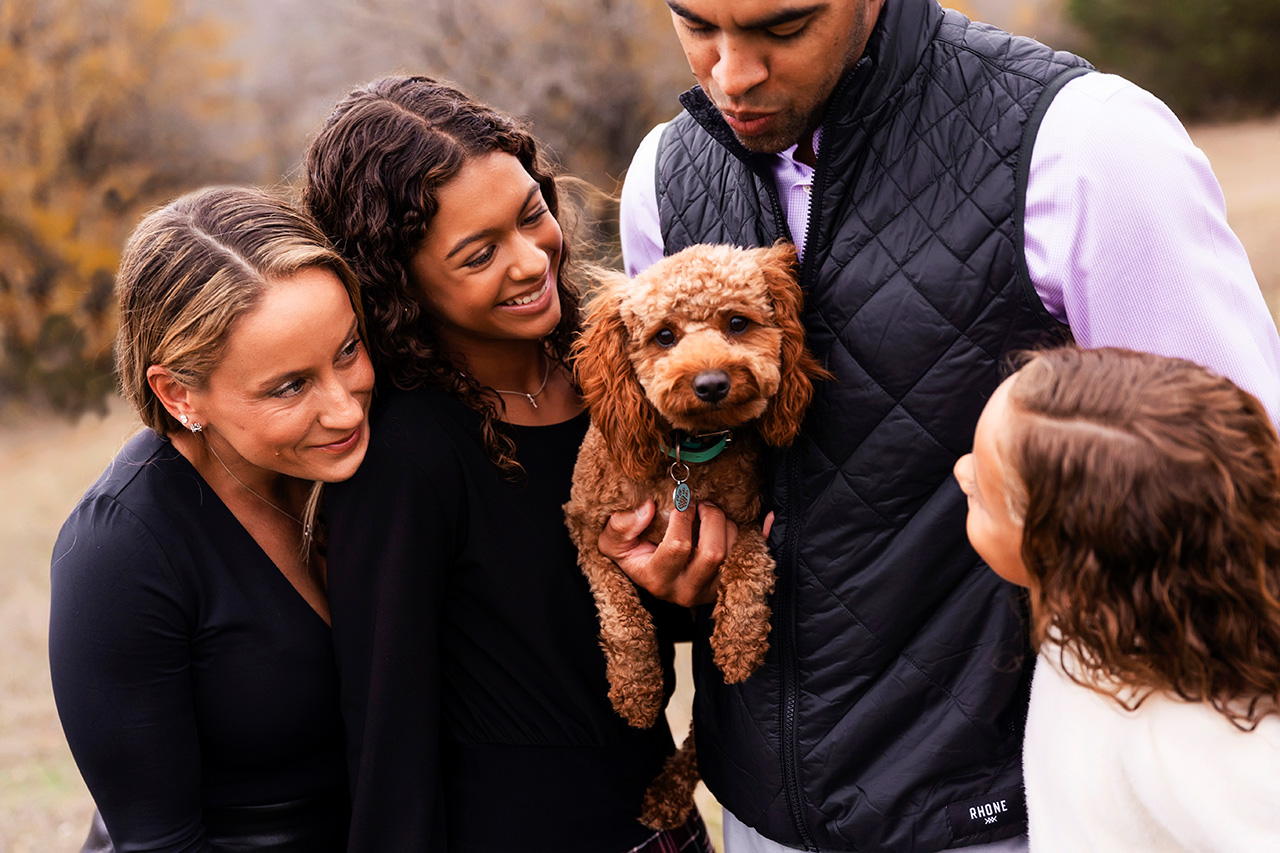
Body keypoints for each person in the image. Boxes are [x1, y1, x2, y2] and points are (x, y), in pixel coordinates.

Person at [609, 0, 1280, 850]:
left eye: (783, 28)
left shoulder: (1087, 145)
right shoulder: (664, 174)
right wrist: (676, 554)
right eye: (696, 23)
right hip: (757, 818)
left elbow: (1237, 497)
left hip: (1017, 810)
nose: (731, 74)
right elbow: (689, 455)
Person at [301, 74, 717, 853]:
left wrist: (683, 588)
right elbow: (387, 724)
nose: (530, 259)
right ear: (399, 279)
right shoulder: (406, 453)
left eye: (532, 215)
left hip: (662, 824)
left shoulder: (612, 377)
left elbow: (603, 630)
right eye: (478, 253)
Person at [49, 185, 375, 852]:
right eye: (289, 386)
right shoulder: (120, 550)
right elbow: (160, 842)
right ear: (177, 392)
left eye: (347, 350)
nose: (346, 409)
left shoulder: (372, 465)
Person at [953, 345, 1280, 851]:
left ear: (1065, 552)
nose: (961, 472)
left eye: (984, 496)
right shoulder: (1088, 619)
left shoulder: (1190, 733)